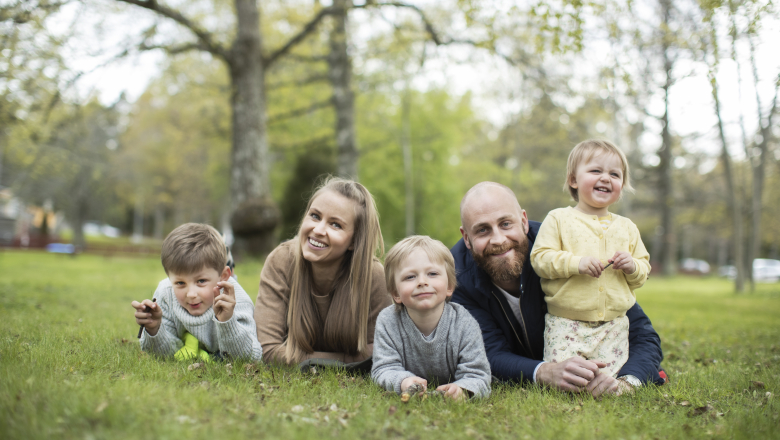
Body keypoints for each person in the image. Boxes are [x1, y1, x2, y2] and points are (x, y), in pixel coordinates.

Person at [451, 181, 665, 397]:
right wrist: (544, 372)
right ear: (466, 238)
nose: (498, 239)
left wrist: (628, 380)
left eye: (506, 224)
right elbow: (486, 351)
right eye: (482, 230)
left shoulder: (565, 248)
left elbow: (642, 333)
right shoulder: (455, 279)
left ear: (524, 221)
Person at [530, 139, 650, 379]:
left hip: (613, 326)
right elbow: (540, 259)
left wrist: (632, 266)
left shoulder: (627, 227)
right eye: (596, 170)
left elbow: (642, 271)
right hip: (566, 323)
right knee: (568, 379)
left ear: (622, 185)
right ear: (573, 180)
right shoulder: (559, 219)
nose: (605, 178)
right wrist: (577, 263)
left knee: (607, 381)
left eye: (614, 174)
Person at [254, 177, 391, 365]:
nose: (318, 230)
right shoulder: (282, 261)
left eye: (336, 225)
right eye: (315, 216)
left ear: (354, 241)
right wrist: (346, 361)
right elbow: (267, 350)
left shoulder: (373, 277)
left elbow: (379, 354)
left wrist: (301, 358)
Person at [371, 236, 491, 400]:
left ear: (449, 286)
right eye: (410, 277)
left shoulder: (464, 323)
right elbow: (383, 369)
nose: (422, 282)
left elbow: (478, 375)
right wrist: (403, 382)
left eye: (432, 273)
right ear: (395, 293)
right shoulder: (388, 321)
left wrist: (463, 390)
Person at [132, 223, 263, 361]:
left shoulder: (237, 300)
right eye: (180, 283)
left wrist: (228, 322)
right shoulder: (165, 293)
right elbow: (164, 355)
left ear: (223, 276)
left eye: (201, 281)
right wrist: (154, 329)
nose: (191, 294)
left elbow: (251, 357)